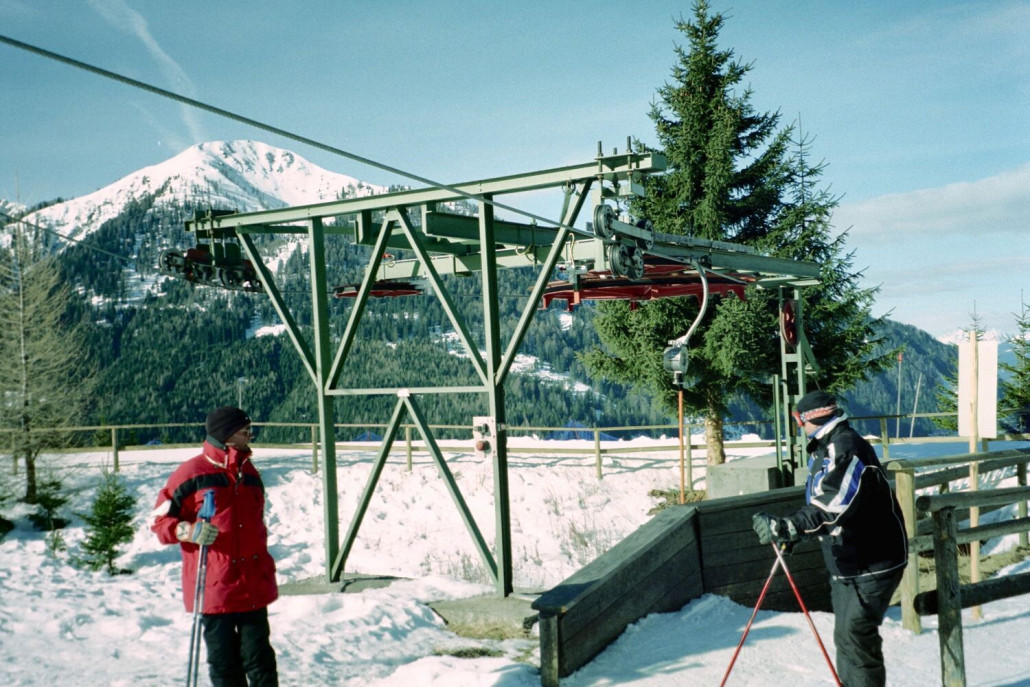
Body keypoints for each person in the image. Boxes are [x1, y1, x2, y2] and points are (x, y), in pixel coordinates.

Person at [752, 390, 907, 687]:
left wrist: (791, 527)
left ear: (813, 418)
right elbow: (823, 504)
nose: (798, 426)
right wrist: (795, 533)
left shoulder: (847, 448)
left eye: (798, 419)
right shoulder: (826, 448)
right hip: (847, 561)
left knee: (856, 636)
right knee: (846, 638)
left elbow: (833, 505)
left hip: (874, 560)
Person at [151, 406, 279, 686]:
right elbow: (160, 522)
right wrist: (187, 530)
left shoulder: (251, 476)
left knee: (261, 663)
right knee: (224, 666)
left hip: (252, 585)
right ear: (228, 435)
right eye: (246, 432)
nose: (250, 437)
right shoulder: (190, 473)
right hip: (214, 588)